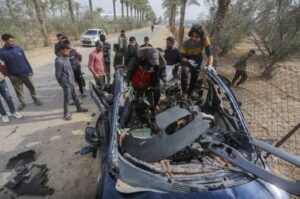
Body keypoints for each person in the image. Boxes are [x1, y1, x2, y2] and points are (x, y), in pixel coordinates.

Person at [0, 34, 42, 111]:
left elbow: (25, 59)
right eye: (11, 41)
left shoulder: (18, 48)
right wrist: (9, 75)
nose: (13, 42)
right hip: (14, 76)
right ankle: (22, 103)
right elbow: (2, 65)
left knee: (31, 87)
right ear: (5, 41)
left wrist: (30, 69)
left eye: (13, 40)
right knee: (19, 91)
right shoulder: (1, 52)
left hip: (26, 73)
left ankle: (35, 99)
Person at [128, 47, 166, 114]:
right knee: (138, 102)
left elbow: (157, 77)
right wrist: (128, 81)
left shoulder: (157, 65)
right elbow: (130, 70)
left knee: (156, 93)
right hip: (137, 83)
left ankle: (153, 107)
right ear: (146, 56)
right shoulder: (138, 59)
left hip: (148, 84)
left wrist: (162, 78)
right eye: (151, 60)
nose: (153, 63)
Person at [55, 43, 88, 120]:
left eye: (68, 51)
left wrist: (73, 80)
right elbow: (58, 75)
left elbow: (70, 70)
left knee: (75, 95)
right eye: (66, 51)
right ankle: (66, 113)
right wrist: (62, 83)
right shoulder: (59, 62)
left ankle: (79, 108)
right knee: (67, 98)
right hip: (66, 83)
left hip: (72, 81)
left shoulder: (66, 58)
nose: (68, 53)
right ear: (61, 51)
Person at [180, 25, 213, 98]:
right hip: (187, 62)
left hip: (197, 63)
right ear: (190, 34)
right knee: (184, 71)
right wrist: (188, 60)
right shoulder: (186, 43)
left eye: (197, 36)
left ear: (201, 36)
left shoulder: (204, 39)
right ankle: (184, 93)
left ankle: (189, 96)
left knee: (193, 82)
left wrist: (210, 65)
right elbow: (181, 56)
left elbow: (210, 54)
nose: (194, 38)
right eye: (193, 36)